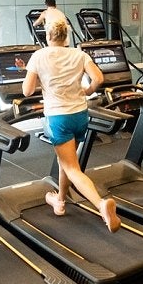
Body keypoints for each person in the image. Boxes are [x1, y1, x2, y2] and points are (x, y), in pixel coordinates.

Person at [22, 18, 120, 231]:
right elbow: (98, 78)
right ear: (66, 36)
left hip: (58, 117)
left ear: (47, 36)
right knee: (65, 160)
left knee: (72, 167)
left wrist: (41, 82)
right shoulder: (79, 54)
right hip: (80, 115)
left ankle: (100, 204)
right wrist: (88, 91)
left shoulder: (39, 56)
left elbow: (27, 91)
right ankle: (60, 200)